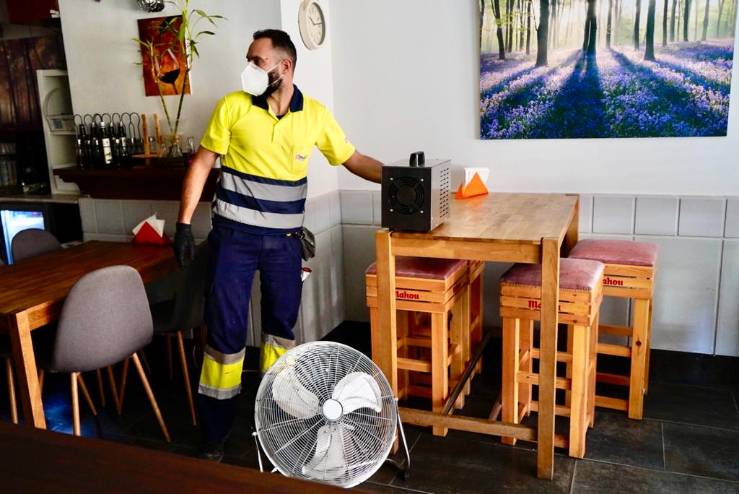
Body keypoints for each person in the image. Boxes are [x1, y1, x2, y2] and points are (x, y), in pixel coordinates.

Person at [173, 29, 383, 461]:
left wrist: (402, 179)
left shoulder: (315, 115)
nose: (249, 68)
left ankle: (273, 422)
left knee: (280, 334)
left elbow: (354, 159)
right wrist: (183, 224)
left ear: (284, 67)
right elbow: (203, 162)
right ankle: (214, 434)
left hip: (285, 245)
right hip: (233, 241)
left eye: (257, 60)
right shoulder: (233, 106)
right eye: (249, 59)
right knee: (225, 336)